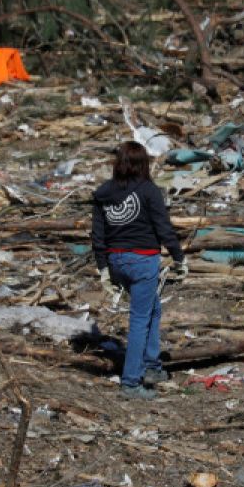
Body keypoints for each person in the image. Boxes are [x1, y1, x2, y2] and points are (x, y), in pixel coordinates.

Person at [92, 141, 188, 400]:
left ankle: (152, 365)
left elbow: (97, 235)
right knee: (139, 319)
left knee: (153, 309)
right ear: (143, 164)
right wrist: (179, 258)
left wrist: (103, 268)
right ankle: (131, 381)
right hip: (143, 261)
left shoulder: (103, 192)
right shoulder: (148, 191)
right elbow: (163, 228)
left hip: (116, 261)